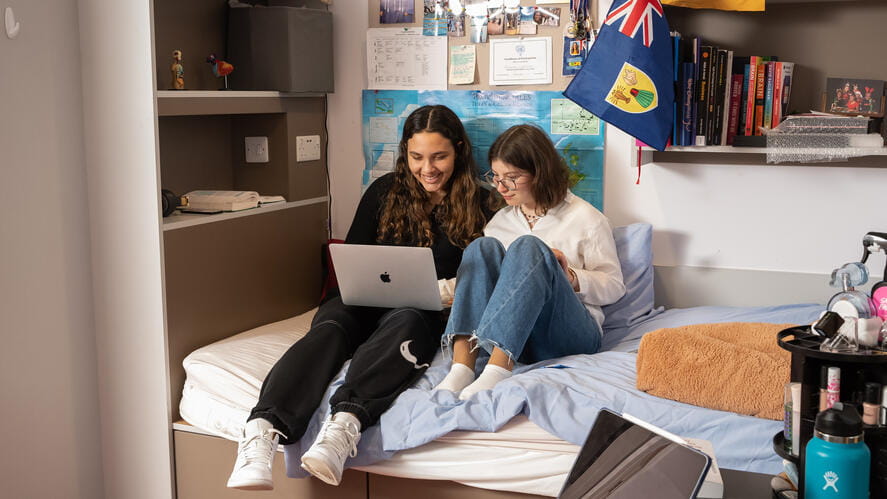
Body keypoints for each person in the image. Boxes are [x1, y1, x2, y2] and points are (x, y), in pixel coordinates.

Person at [227, 105, 494, 490]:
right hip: (363, 300)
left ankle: (343, 426)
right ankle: (261, 430)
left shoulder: (481, 205)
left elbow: (482, 277)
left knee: (406, 323)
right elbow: (353, 256)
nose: (428, 168)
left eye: (439, 156)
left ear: (459, 151)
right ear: (406, 153)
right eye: (417, 157)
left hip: (423, 310)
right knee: (330, 329)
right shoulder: (384, 191)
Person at [433, 124, 625, 400]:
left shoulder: (586, 218)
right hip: (518, 336)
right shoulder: (500, 222)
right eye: (496, 176)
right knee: (481, 247)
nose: (501, 187)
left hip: (569, 335)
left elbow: (614, 286)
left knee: (529, 246)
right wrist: (425, 290)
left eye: (511, 177)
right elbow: (480, 284)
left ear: (539, 173)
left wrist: (570, 276)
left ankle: (497, 370)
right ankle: (462, 367)